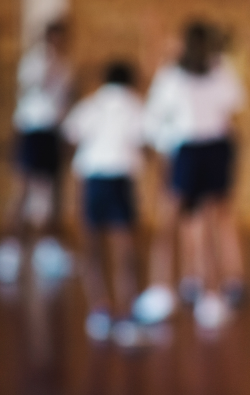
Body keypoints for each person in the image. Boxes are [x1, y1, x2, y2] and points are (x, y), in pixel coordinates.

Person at [135, 21, 247, 329]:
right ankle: (161, 289)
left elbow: (234, 106)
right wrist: (163, 148)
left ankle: (212, 292)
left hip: (214, 148)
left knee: (211, 218)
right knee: (170, 219)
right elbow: (153, 119)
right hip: (185, 151)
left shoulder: (219, 71)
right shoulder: (171, 76)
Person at [62, 61, 146, 345]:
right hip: (121, 179)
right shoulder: (134, 104)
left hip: (92, 178)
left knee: (92, 247)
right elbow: (146, 138)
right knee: (125, 250)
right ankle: (127, 310)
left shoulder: (92, 105)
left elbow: (70, 135)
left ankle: (99, 308)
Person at [0, 20, 73, 283]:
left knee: (48, 191)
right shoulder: (35, 62)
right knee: (22, 189)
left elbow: (64, 101)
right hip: (32, 129)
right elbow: (29, 91)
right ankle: (8, 248)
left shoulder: (66, 65)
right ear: (49, 37)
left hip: (51, 131)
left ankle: (46, 248)